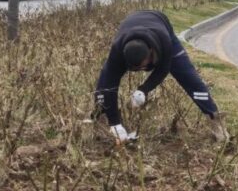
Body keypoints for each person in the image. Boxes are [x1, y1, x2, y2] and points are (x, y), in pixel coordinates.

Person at [94, 10, 230, 144]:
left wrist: (143, 89)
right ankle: (102, 118)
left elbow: (163, 69)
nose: (141, 70)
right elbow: (107, 85)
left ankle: (215, 119)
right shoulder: (117, 50)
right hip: (131, 24)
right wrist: (114, 122)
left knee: (189, 76)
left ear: (151, 51)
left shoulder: (164, 41)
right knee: (104, 81)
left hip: (159, 23)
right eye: (136, 69)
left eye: (142, 66)